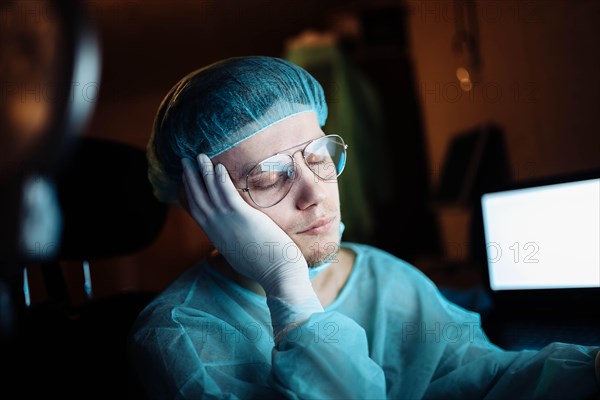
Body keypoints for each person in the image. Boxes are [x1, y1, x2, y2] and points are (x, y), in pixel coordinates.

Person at [129, 56, 600, 399]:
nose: (315, 192)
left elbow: (487, 381)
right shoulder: (180, 334)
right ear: (202, 206)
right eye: (269, 177)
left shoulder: (380, 274)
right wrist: (288, 290)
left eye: (318, 157)